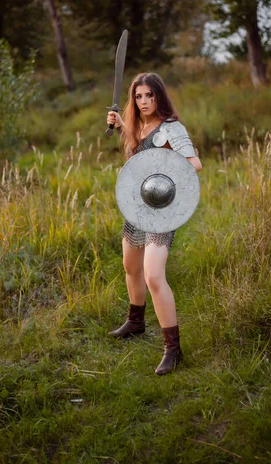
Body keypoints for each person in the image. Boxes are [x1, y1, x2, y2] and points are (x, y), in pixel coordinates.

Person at [107, 72, 202, 375]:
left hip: (162, 211)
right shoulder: (140, 126)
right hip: (137, 208)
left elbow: (194, 163)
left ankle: (172, 349)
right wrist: (122, 127)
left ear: (159, 96)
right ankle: (136, 322)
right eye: (138, 96)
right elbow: (140, 151)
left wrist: (164, 170)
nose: (144, 101)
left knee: (153, 277)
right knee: (131, 267)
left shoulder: (172, 128)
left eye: (150, 95)